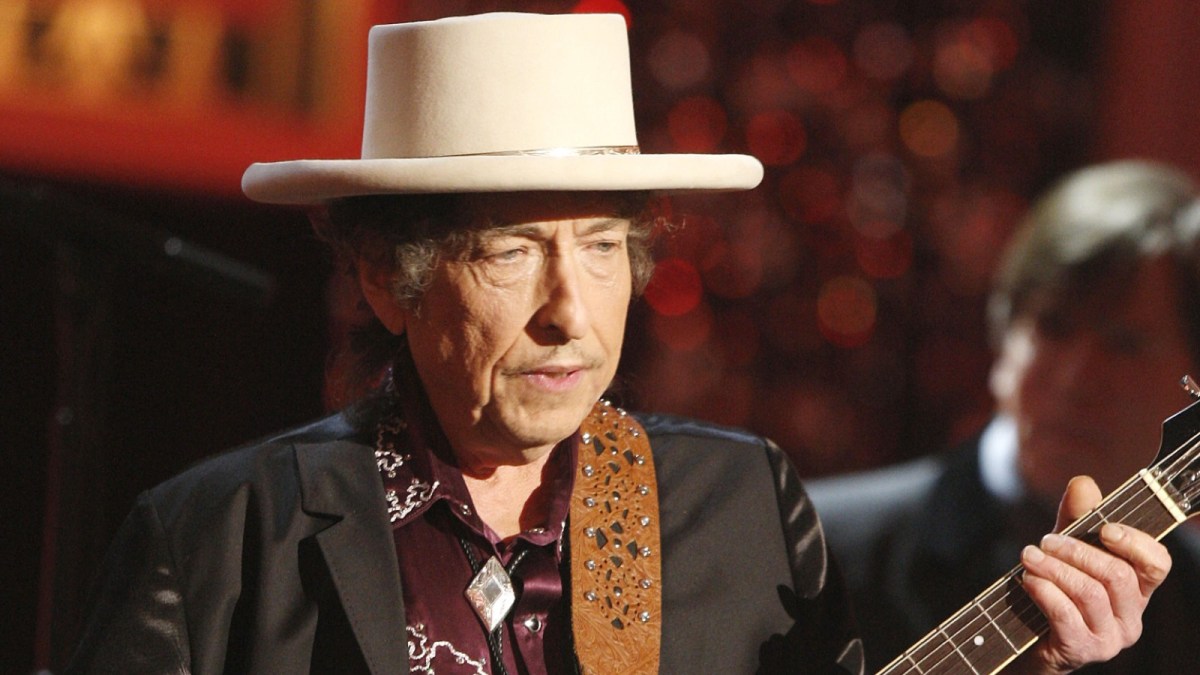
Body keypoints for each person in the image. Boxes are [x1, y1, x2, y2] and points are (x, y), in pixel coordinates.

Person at [66, 14, 1169, 675]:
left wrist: (1052, 659)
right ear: (382, 281)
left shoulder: (740, 503)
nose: (570, 310)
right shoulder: (215, 538)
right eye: (510, 253)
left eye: (601, 247)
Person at [807, 159, 1200, 674]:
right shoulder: (815, 546)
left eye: (1124, 344)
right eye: (1053, 327)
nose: (1073, 379)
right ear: (1004, 325)